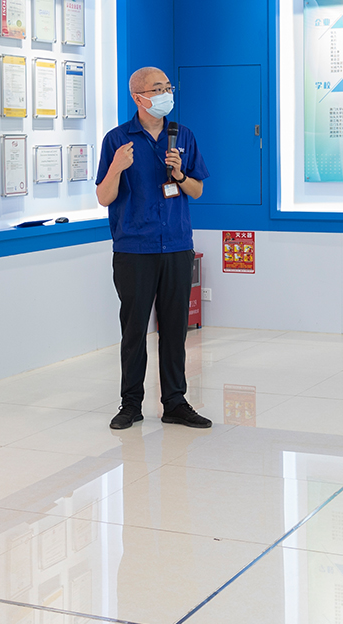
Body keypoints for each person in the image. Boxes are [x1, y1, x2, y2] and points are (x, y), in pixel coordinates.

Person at [96, 66, 212, 431]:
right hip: (134, 248)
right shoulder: (118, 140)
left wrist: (179, 175)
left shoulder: (183, 136)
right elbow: (104, 197)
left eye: (167, 87)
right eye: (157, 89)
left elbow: (197, 190)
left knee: (175, 330)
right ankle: (130, 404)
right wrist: (116, 168)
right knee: (134, 331)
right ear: (138, 97)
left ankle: (175, 402)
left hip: (176, 245)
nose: (165, 94)